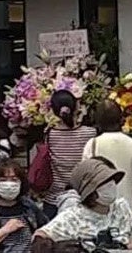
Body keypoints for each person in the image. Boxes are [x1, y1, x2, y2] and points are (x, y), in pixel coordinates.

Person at [39, 90, 96, 220]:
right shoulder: (90, 133)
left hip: (54, 199)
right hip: (82, 197)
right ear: (76, 108)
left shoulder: (50, 134)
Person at [83, 100, 132, 213]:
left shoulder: (92, 144)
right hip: (127, 207)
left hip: (100, 208)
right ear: (121, 119)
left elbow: (86, 177)